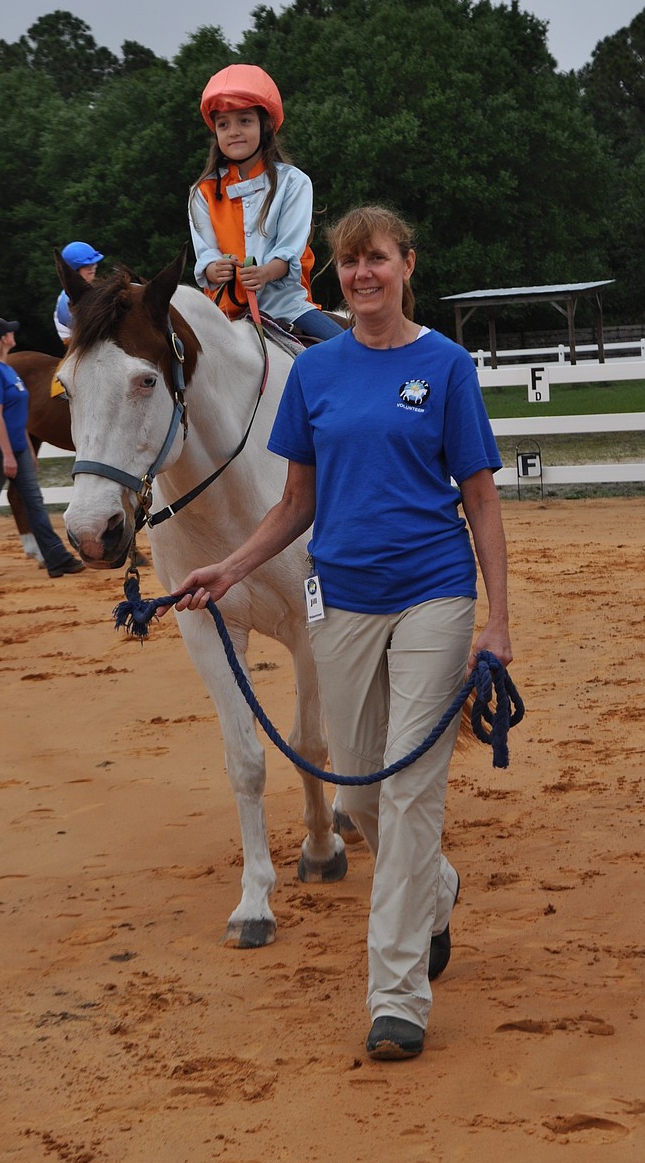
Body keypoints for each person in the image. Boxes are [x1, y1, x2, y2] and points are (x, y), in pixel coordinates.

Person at [169, 205, 512, 1060]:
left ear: (406, 266)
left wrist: (497, 621)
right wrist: (232, 569)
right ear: (337, 273)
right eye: (351, 262)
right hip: (345, 602)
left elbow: (480, 500)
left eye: (379, 260)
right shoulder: (316, 375)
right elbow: (294, 503)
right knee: (359, 794)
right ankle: (436, 884)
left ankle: (396, 993)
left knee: (407, 790)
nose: (364, 274)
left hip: (435, 593)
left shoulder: (446, 366)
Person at [189, 63, 345, 342]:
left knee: (348, 352)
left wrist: (264, 273)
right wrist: (214, 268)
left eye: (244, 121)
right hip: (222, 315)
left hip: (287, 308)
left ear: (267, 124)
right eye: (223, 124)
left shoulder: (294, 183)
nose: (233, 131)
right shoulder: (201, 192)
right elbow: (205, 253)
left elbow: (289, 251)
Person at [0, 318, 84, 581]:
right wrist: (9, 454)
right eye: (10, 332)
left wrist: (25, 447)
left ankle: (57, 558)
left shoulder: (7, 369)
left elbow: (18, 413)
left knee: (34, 502)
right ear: (3, 338)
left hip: (17, 446)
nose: (14, 334)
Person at [54, 241, 104, 343]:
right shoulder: (67, 298)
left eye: (93, 264)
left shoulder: (94, 289)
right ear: (73, 271)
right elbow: (90, 328)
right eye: (86, 266)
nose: (92, 269)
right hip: (81, 347)